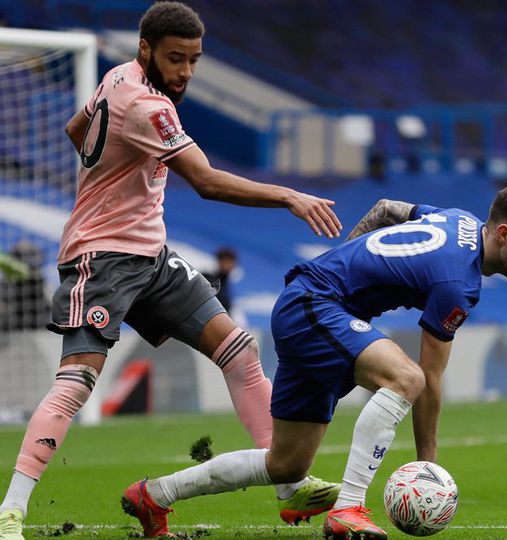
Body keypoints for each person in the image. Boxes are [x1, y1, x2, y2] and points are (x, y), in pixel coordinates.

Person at [0, 3, 344, 539]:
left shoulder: (115, 77)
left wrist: (115, 176)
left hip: (152, 257)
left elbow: (77, 127)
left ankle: (285, 482)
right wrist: (287, 194)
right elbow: (205, 182)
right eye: (175, 59)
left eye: (193, 60)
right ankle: (10, 512)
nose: (185, 71)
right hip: (104, 257)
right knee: (76, 382)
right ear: (146, 50)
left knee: (239, 350)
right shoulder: (148, 106)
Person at [121, 180, 507, 539]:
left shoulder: (459, 221)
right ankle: (349, 509)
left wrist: (341, 259)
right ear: (505, 234)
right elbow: (429, 378)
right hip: (316, 307)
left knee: (286, 465)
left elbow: (388, 208)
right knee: (405, 378)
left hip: (313, 307)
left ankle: (156, 494)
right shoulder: (459, 282)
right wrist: (427, 466)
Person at [203, 247, 238, 312]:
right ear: (219, 261)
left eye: (229, 261)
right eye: (224, 260)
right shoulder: (206, 278)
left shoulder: (227, 291)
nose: (226, 265)